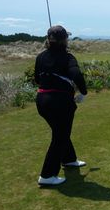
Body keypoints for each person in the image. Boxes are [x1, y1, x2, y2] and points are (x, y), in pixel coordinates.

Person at [35, 25, 88, 186]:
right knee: (60, 136)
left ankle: (69, 159)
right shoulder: (68, 57)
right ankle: (47, 175)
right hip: (60, 103)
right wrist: (83, 92)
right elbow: (76, 74)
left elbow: (37, 79)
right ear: (64, 39)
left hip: (42, 100)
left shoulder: (41, 56)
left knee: (61, 131)